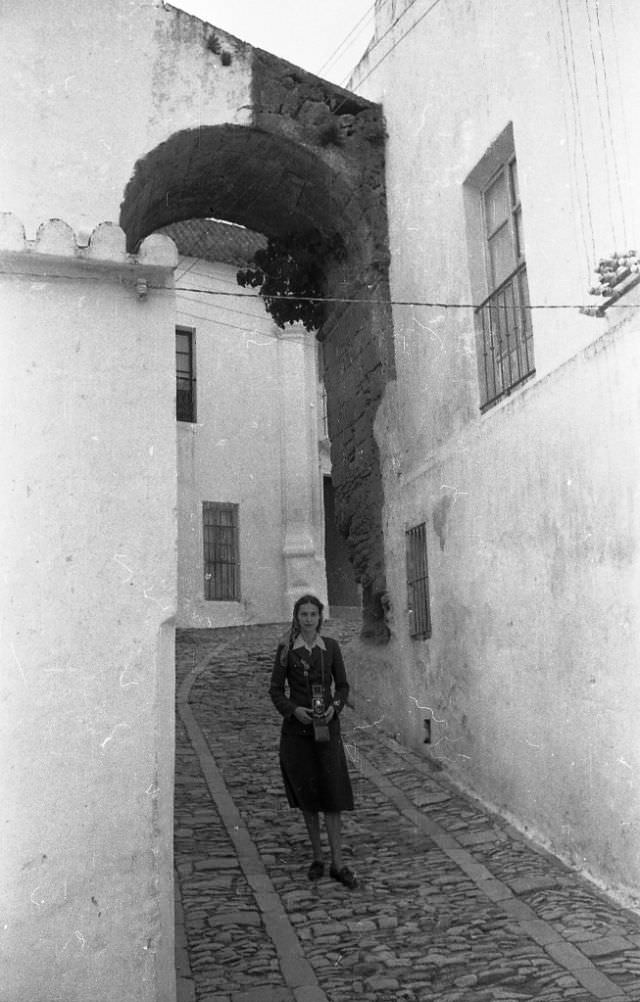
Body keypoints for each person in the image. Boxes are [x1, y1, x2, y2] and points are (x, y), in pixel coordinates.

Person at [269, 594, 357, 889]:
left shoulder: (329, 648)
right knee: (308, 798)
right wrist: (294, 711)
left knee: (333, 795)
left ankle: (338, 863)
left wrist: (336, 706)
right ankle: (317, 858)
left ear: (320, 618)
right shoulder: (286, 650)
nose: (308, 619)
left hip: (326, 732)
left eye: (313, 614)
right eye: (303, 614)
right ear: (297, 618)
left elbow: (342, 686)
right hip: (297, 735)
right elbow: (274, 690)